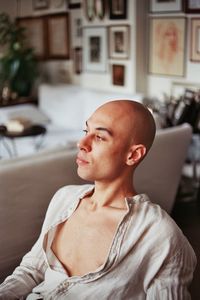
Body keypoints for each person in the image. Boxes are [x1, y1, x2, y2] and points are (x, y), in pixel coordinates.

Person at [0, 100, 196, 299]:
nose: (81, 143)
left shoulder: (159, 235)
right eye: (86, 131)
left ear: (133, 154)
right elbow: (31, 270)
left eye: (100, 137)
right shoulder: (64, 198)